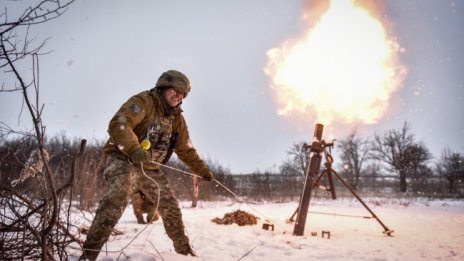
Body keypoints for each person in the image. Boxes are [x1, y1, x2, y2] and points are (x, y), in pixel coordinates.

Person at [80, 70, 214, 260]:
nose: (178, 95)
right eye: (175, 90)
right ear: (163, 87)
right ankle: (88, 254)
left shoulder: (178, 120)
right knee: (118, 197)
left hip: (150, 169)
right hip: (123, 159)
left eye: (182, 93)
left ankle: (184, 253)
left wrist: (203, 171)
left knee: (170, 207)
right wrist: (134, 149)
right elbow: (119, 123)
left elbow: (186, 150)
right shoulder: (143, 102)